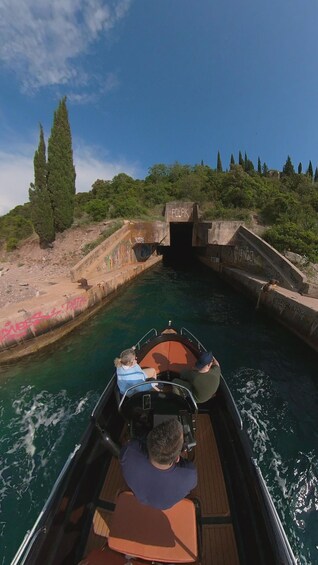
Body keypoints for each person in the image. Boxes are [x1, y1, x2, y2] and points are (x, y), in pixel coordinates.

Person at [119, 418, 197, 510]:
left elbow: (134, 443)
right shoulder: (189, 475)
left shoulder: (129, 452)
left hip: (140, 497)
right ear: (177, 459)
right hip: (164, 506)